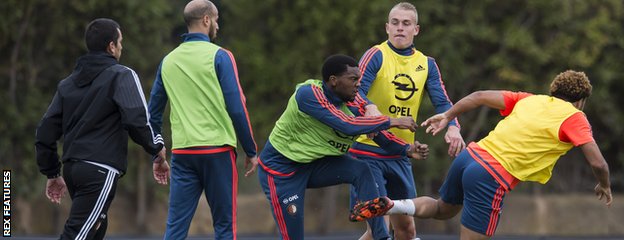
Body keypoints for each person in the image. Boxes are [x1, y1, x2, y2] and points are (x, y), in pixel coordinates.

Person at [377, 70, 613, 240]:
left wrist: (448, 115)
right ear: (580, 101)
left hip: (470, 156)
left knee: (442, 209)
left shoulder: (530, 99)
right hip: (490, 175)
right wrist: (604, 185)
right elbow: (598, 163)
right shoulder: (574, 117)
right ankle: (391, 206)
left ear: (554, 90)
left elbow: (478, 96)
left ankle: (392, 205)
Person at [257, 54, 429, 240]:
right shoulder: (309, 94)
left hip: (315, 164)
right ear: (333, 81)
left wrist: (407, 150)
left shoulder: (354, 103)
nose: (359, 85)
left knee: (362, 169)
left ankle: (381, 237)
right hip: (282, 171)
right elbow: (347, 124)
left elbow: (381, 138)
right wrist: (392, 121)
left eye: (360, 80)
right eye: (353, 79)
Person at [35, 18, 169, 240]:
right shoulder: (122, 75)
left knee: (95, 230)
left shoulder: (67, 83)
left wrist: (52, 172)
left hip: (72, 170)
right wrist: (157, 147)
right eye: (120, 42)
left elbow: (45, 132)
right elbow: (137, 120)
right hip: (100, 169)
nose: (122, 47)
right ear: (111, 46)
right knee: (77, 235)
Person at [350, 2, 465, 239]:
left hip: (400, 153)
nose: (400, 28)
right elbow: (353, 91)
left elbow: (443, 103)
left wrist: (452, 127)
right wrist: (369, 107)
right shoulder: (376, 54)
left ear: (416, 30)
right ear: (387, 28)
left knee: (405, 229)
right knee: (378, 229)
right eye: (395, 23)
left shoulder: (427, 64)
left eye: (406, 23)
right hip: (368, 150)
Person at [147, 0, 258, 239]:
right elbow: (237, 108)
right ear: (206, 20)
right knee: (225, 227)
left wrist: (157, 153)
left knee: (175, 228)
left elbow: (153, 114)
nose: (217, 25)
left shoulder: (168, 60)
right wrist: (251, 150)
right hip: (218, 151)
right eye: (215, 19)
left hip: (184, 154)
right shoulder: (221, 56)